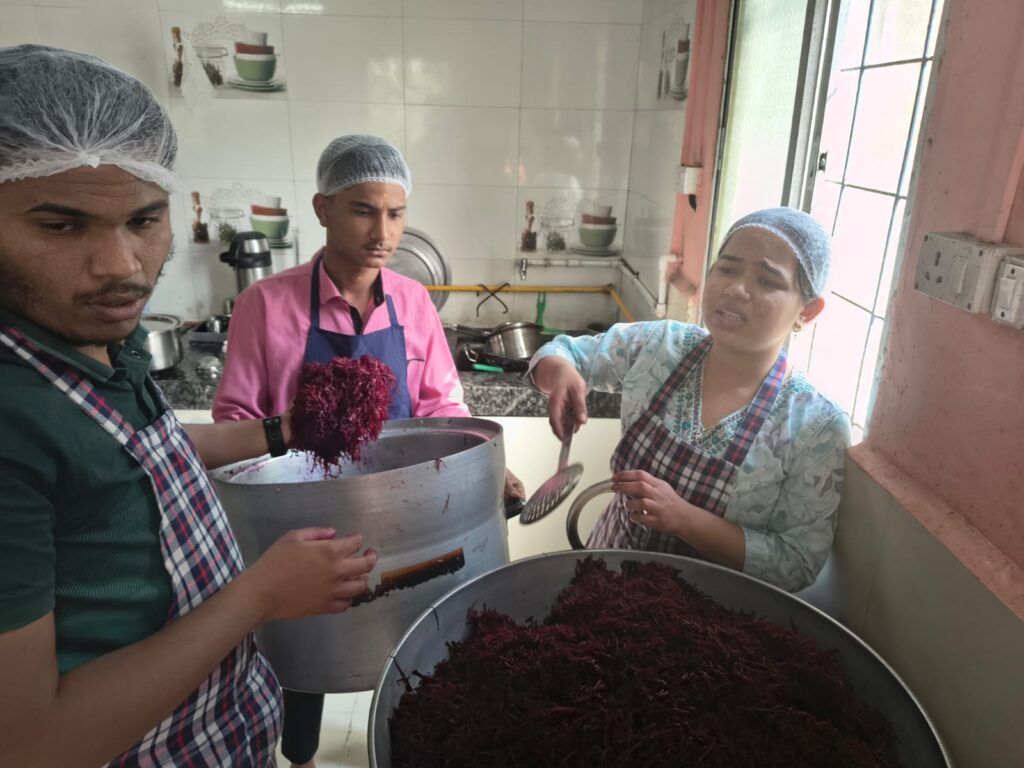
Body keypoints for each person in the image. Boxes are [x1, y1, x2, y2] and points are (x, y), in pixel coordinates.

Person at [0, 45, 378, 767]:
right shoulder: (12, 421)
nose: (121, 267)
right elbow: (27, 744)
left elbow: (143, 449)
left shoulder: (95, 343)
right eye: (61, 226)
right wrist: (258, 596)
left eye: (145, 219)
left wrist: (283, 431)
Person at [212, 135, 525, 767]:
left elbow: (442, 405)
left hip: (410, 514)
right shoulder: (263, 305)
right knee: (305, 660)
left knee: (425, 647)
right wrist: (292, 427)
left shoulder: (414, 302)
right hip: (306, 520)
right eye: (362, 210)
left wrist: (486, 467)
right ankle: (300, 752)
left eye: (396, 213)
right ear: (322, 208)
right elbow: (235, 422)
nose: (383, 233)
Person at [529, 207, 851, 593]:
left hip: (706, 616)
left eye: (767, 280)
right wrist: (561, 373)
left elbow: (796, 563)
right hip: (605, 583)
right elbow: (560, 352)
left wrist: (685, 519)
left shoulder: (815, 426)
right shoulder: (661, 346)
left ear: (808, 310)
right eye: (727, 268)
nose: (735, 289)